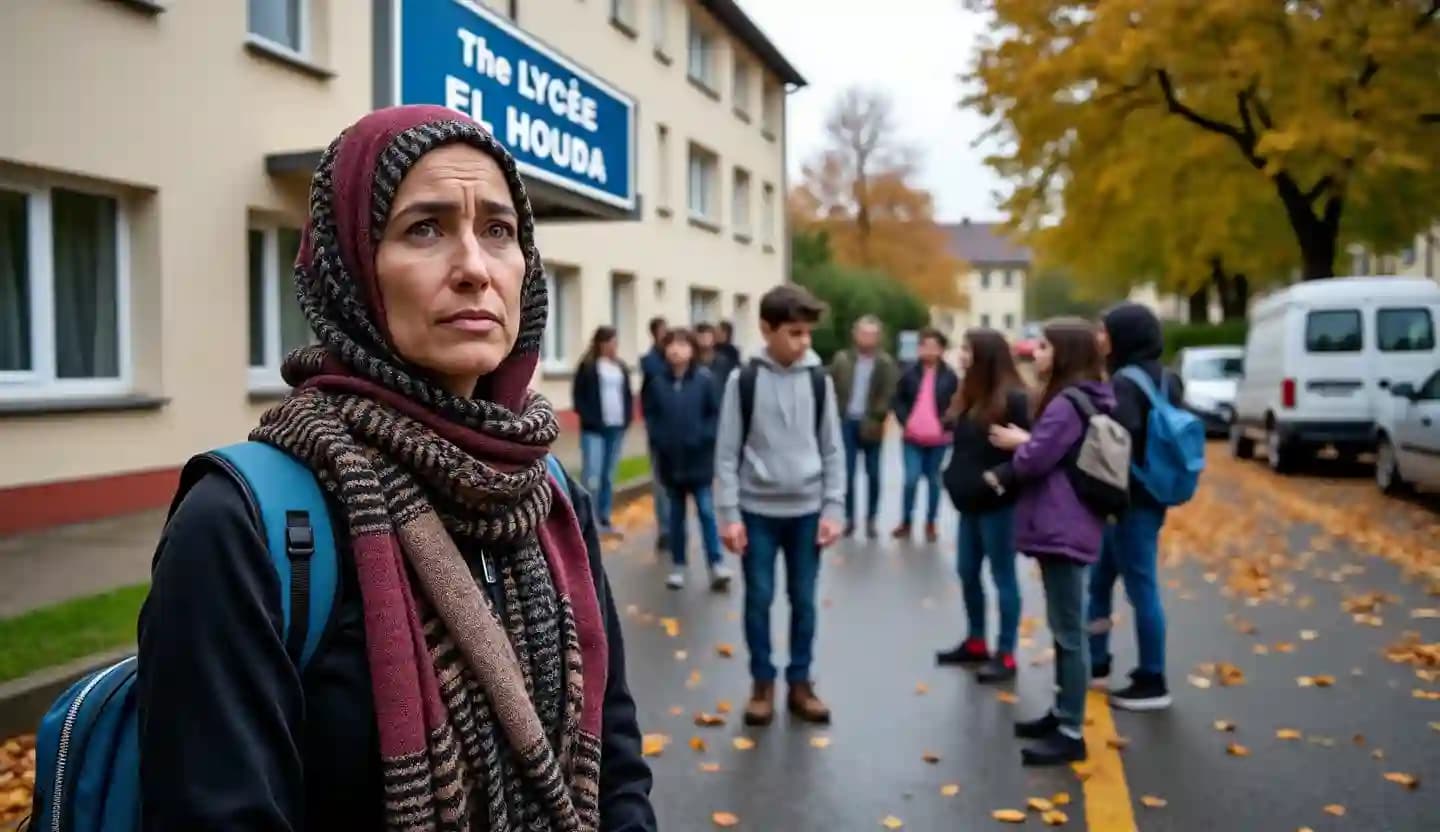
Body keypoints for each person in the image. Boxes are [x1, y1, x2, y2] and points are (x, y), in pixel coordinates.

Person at [136, 105, 656, 830]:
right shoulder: (240, 527)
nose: (475, 268)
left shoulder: (549, 495)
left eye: (499, 231)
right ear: (352, 269)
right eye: (425, 228)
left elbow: (617, 763)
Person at [983, 318, 1113, 766]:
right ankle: (1061, 713)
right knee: (1065, 629)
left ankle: (1071, 730)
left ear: (1065, 353)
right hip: (1070, 519)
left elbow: (1036, 460)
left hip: (1063, 523)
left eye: (1043, 347)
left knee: (1068, 632)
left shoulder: (1064, 404)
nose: (1035, 353)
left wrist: (1022, 443)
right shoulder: (1086, 396)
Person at [714, 284, 844, 727]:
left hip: (808, 513)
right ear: (767, 329)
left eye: (808, 333)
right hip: (757, 513)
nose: (804, 341)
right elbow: (727, 453)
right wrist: (729, 515)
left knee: (804, 601)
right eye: (794, 332)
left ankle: (801, 682)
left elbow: (832, 450)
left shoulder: (818, 379)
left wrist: (833, 508)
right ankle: (762, 684)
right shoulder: (743, 380)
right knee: (760, 599)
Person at [1088, 302, 1184, 710]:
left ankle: (1152, 679)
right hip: (1153, 494)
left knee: (1141, 589)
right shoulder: (1168, 379)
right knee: (1099, 581)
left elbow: (1116, 441)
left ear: (1122, 337)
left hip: (1126, 501)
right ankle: (1096, 663)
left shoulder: (1125, 383)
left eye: (1105, 332)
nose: (1100, 339)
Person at [938, 328, 1031, 683]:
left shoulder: (1015, 399)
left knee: (1002, 576)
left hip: (998, 504)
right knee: (966, 570)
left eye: (967, 349)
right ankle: (976, 641)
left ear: (986, 356)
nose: (960, 355)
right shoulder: (968, 394)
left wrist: (1000, 477)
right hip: (968, 504)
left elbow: (1033, 450)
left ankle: (1006, 653)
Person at [643, 327, 734, 591]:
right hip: (671, 462)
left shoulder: (704, 380)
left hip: (699, 461)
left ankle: (716, 564)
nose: (676, 350)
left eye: (682, 345)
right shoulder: (658, 383)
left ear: (692, 350)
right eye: (671, 344)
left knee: (706, 511)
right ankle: (679, 565)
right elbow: (651, 416)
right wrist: (660, 440)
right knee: (676, 516)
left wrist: (702, 438)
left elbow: (714, 416)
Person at [828, 315, 900, 539]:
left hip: (872, 424)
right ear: (854, 334)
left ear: (878, 337)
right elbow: (831, 385)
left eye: (871, 334)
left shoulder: (885, 363)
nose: (866, 338)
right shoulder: (842, 359)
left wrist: (877, 416)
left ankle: (871, 519)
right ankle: (849, 518)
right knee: (846, 474)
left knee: (873, 474)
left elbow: (889, 393)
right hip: (846, 421)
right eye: (863, 333)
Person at [891, 328, 959, 542]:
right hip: (912, 438)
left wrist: (947, 424)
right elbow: (897, 400)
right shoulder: (908, 372)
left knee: (933, 481)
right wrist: (905, 421)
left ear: (941, 350)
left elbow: (957, 405)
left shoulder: (950, 376)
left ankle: (931, 523)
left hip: (939, 440)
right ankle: (906, 521)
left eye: (933, 346)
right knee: (910, 479)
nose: (928, 350)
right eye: (924, 346)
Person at [572, 325, 633, 536]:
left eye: (616, 342)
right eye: (610, 342)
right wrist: (589, 416)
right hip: (594, 428)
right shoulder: (588, 366)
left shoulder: (620, 367)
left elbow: (626, 394)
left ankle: (604, 517)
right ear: (600, 343)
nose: (614, 347)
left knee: (609, 475)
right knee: (592, 476)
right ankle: (588, 521)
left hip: (616, 427)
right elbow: (578, 396)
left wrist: (627, 418)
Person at [639, 316, 673, 552]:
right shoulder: (651, 361)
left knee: (675, 483)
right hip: (658, 430)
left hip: (678, 429)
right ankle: (665, 529)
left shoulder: (673, 361)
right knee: (661, 481)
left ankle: (676, 527)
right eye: (662, 333)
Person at [694, 321, 737, 389]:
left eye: (708, 337)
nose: (704, 340)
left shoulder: (724, 362)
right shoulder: (691, 361)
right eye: (701, 336)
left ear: (714, 339)